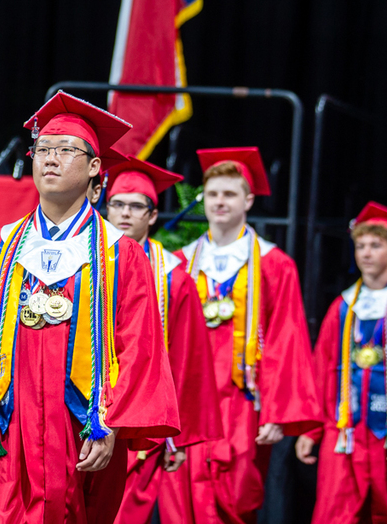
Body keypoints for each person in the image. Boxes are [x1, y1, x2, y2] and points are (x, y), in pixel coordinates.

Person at [0, 91, 180, 524]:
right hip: (3, 432)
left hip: (82, 434)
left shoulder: (120, 254)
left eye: (65, 150)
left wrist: (111, 424)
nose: (50, 159)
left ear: (95, 167)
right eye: (43, 149)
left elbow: (139, 348)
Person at [163, 147, 319, 524]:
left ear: (248, 200)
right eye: (213, 193)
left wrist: (277, 412)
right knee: (181, 500)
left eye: (230, 194)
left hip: (243, 402)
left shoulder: (275, 264)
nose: (220, 202)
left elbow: (286, 339)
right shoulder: (179, 262)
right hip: (189, 403)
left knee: (234, 498)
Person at [295, 202, 387, 524]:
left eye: (375, 245)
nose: (366, 253)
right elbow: (321, 370)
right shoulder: (342, 306)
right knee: (333, 515)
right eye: (360, 246)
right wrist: (312, 429)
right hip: (344, 433)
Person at [103, 157, 221, 524]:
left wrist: (178, 436)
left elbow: (187, 360)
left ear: (152, 216)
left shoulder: (174, 278)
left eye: (136, 206)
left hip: (142, 417)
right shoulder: (85, 262)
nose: (125, 213)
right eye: (117, 204)